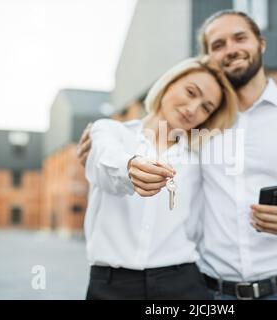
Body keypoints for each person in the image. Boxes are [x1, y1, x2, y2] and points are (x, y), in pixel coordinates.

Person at [78, 10, 277, 300]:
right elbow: (123, 152)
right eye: (218, 44)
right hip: (213, 292)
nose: (231, 49)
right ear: (207, 57)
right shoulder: (198, 134)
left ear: (260, 43)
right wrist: (105, 145)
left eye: (240, 38)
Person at [84, 56, 237, 300]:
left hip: (182, 283)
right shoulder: (111, 131)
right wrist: (130, 168)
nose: (192, 109)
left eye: (206, 107)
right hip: (112, 285)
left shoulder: (202, 158)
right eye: (190, 92)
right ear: (169, 83)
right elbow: (104, 164)